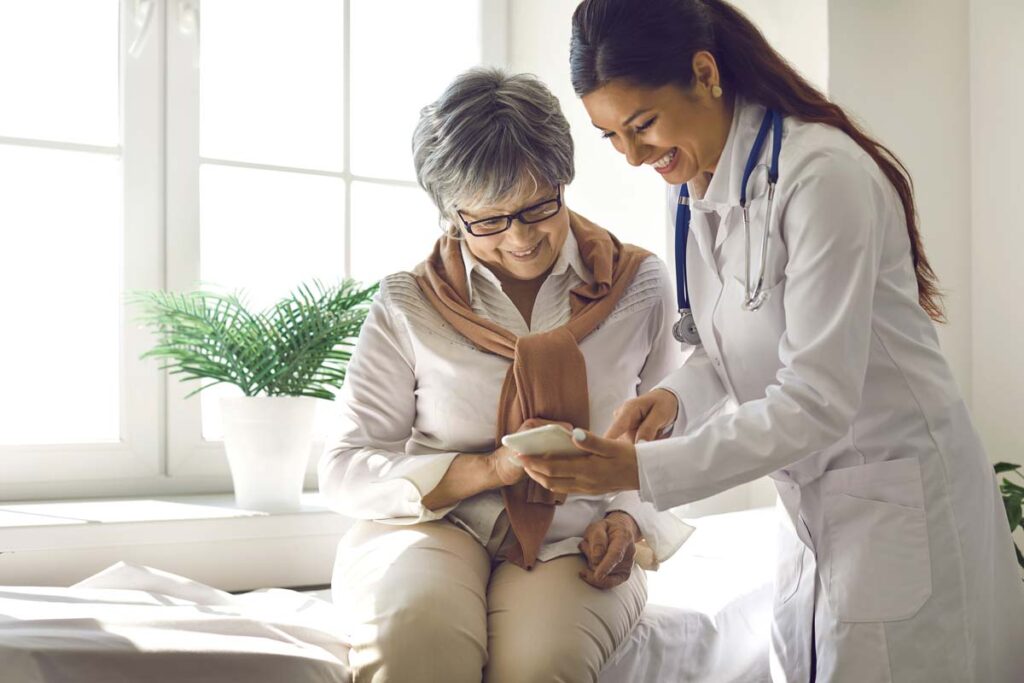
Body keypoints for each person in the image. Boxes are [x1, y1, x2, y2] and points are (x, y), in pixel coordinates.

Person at [517, 1, 1024, 681]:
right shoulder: (688, 183)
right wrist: (673, 399)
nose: (635, 156)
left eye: (642, 125)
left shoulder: (823, 177)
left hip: (902, 499)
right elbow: (728, 347)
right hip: (814, 508)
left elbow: (815, 400)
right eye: (612, 137)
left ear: (705, 73)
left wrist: (636, 471)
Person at [319, 67, 691, 683]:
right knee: (416, 637)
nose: (521, 238)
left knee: (542, 665)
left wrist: (628, 519)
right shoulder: (408, 302)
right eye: (489, 220)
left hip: (579, 532)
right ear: (450, 214)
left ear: (563, 181)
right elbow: (346, 466)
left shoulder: (639, 285)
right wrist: (488, 471)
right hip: (434, 523)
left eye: (538, 207)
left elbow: (671, 436)